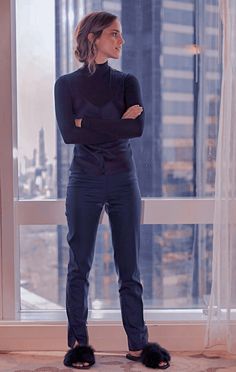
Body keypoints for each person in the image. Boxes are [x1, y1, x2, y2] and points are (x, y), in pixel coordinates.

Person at [54, 11, 171, 370]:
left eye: (121, 34)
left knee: (129, 267)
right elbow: (69, 135)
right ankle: (78, 344)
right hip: (84, 180)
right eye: (114, 35)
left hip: (123, 180)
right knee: (79, 265)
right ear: (93, 38)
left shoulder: (127, 81)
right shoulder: (65, 85)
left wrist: (87, 122)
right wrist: (116, 123)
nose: (121, 41)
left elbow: (135, 131)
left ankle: (138, 344)